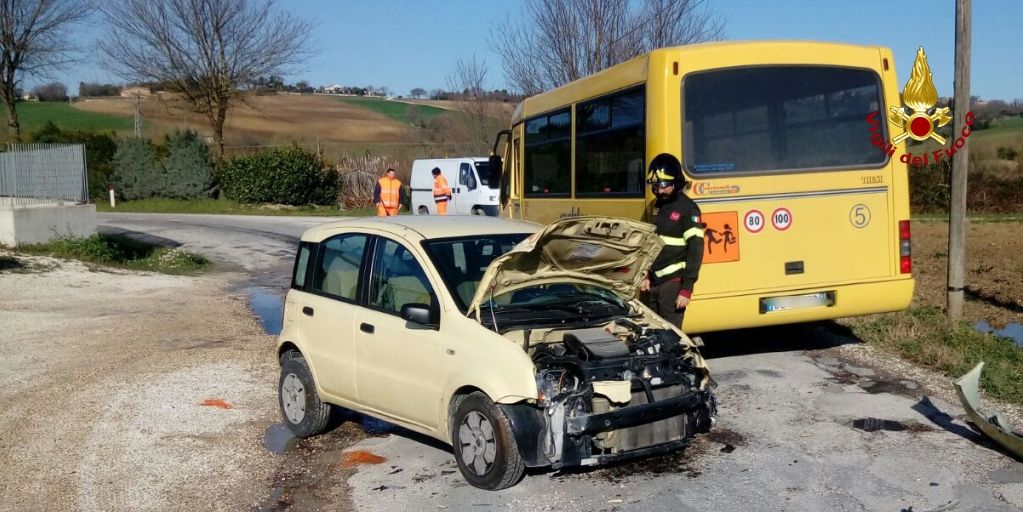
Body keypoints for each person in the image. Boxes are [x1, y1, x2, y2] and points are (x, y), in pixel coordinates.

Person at [641, 153, 704, 328]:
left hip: (674, 285)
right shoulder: (658, 206)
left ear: (675, 182)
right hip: (655, 282)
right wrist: (646, 273)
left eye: (663, 185)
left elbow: (696, 250)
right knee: (653, 332)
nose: (659, 190)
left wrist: (687, 289)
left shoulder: (688, 209)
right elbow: (651, 242)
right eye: (655, 186)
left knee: (671, 336)